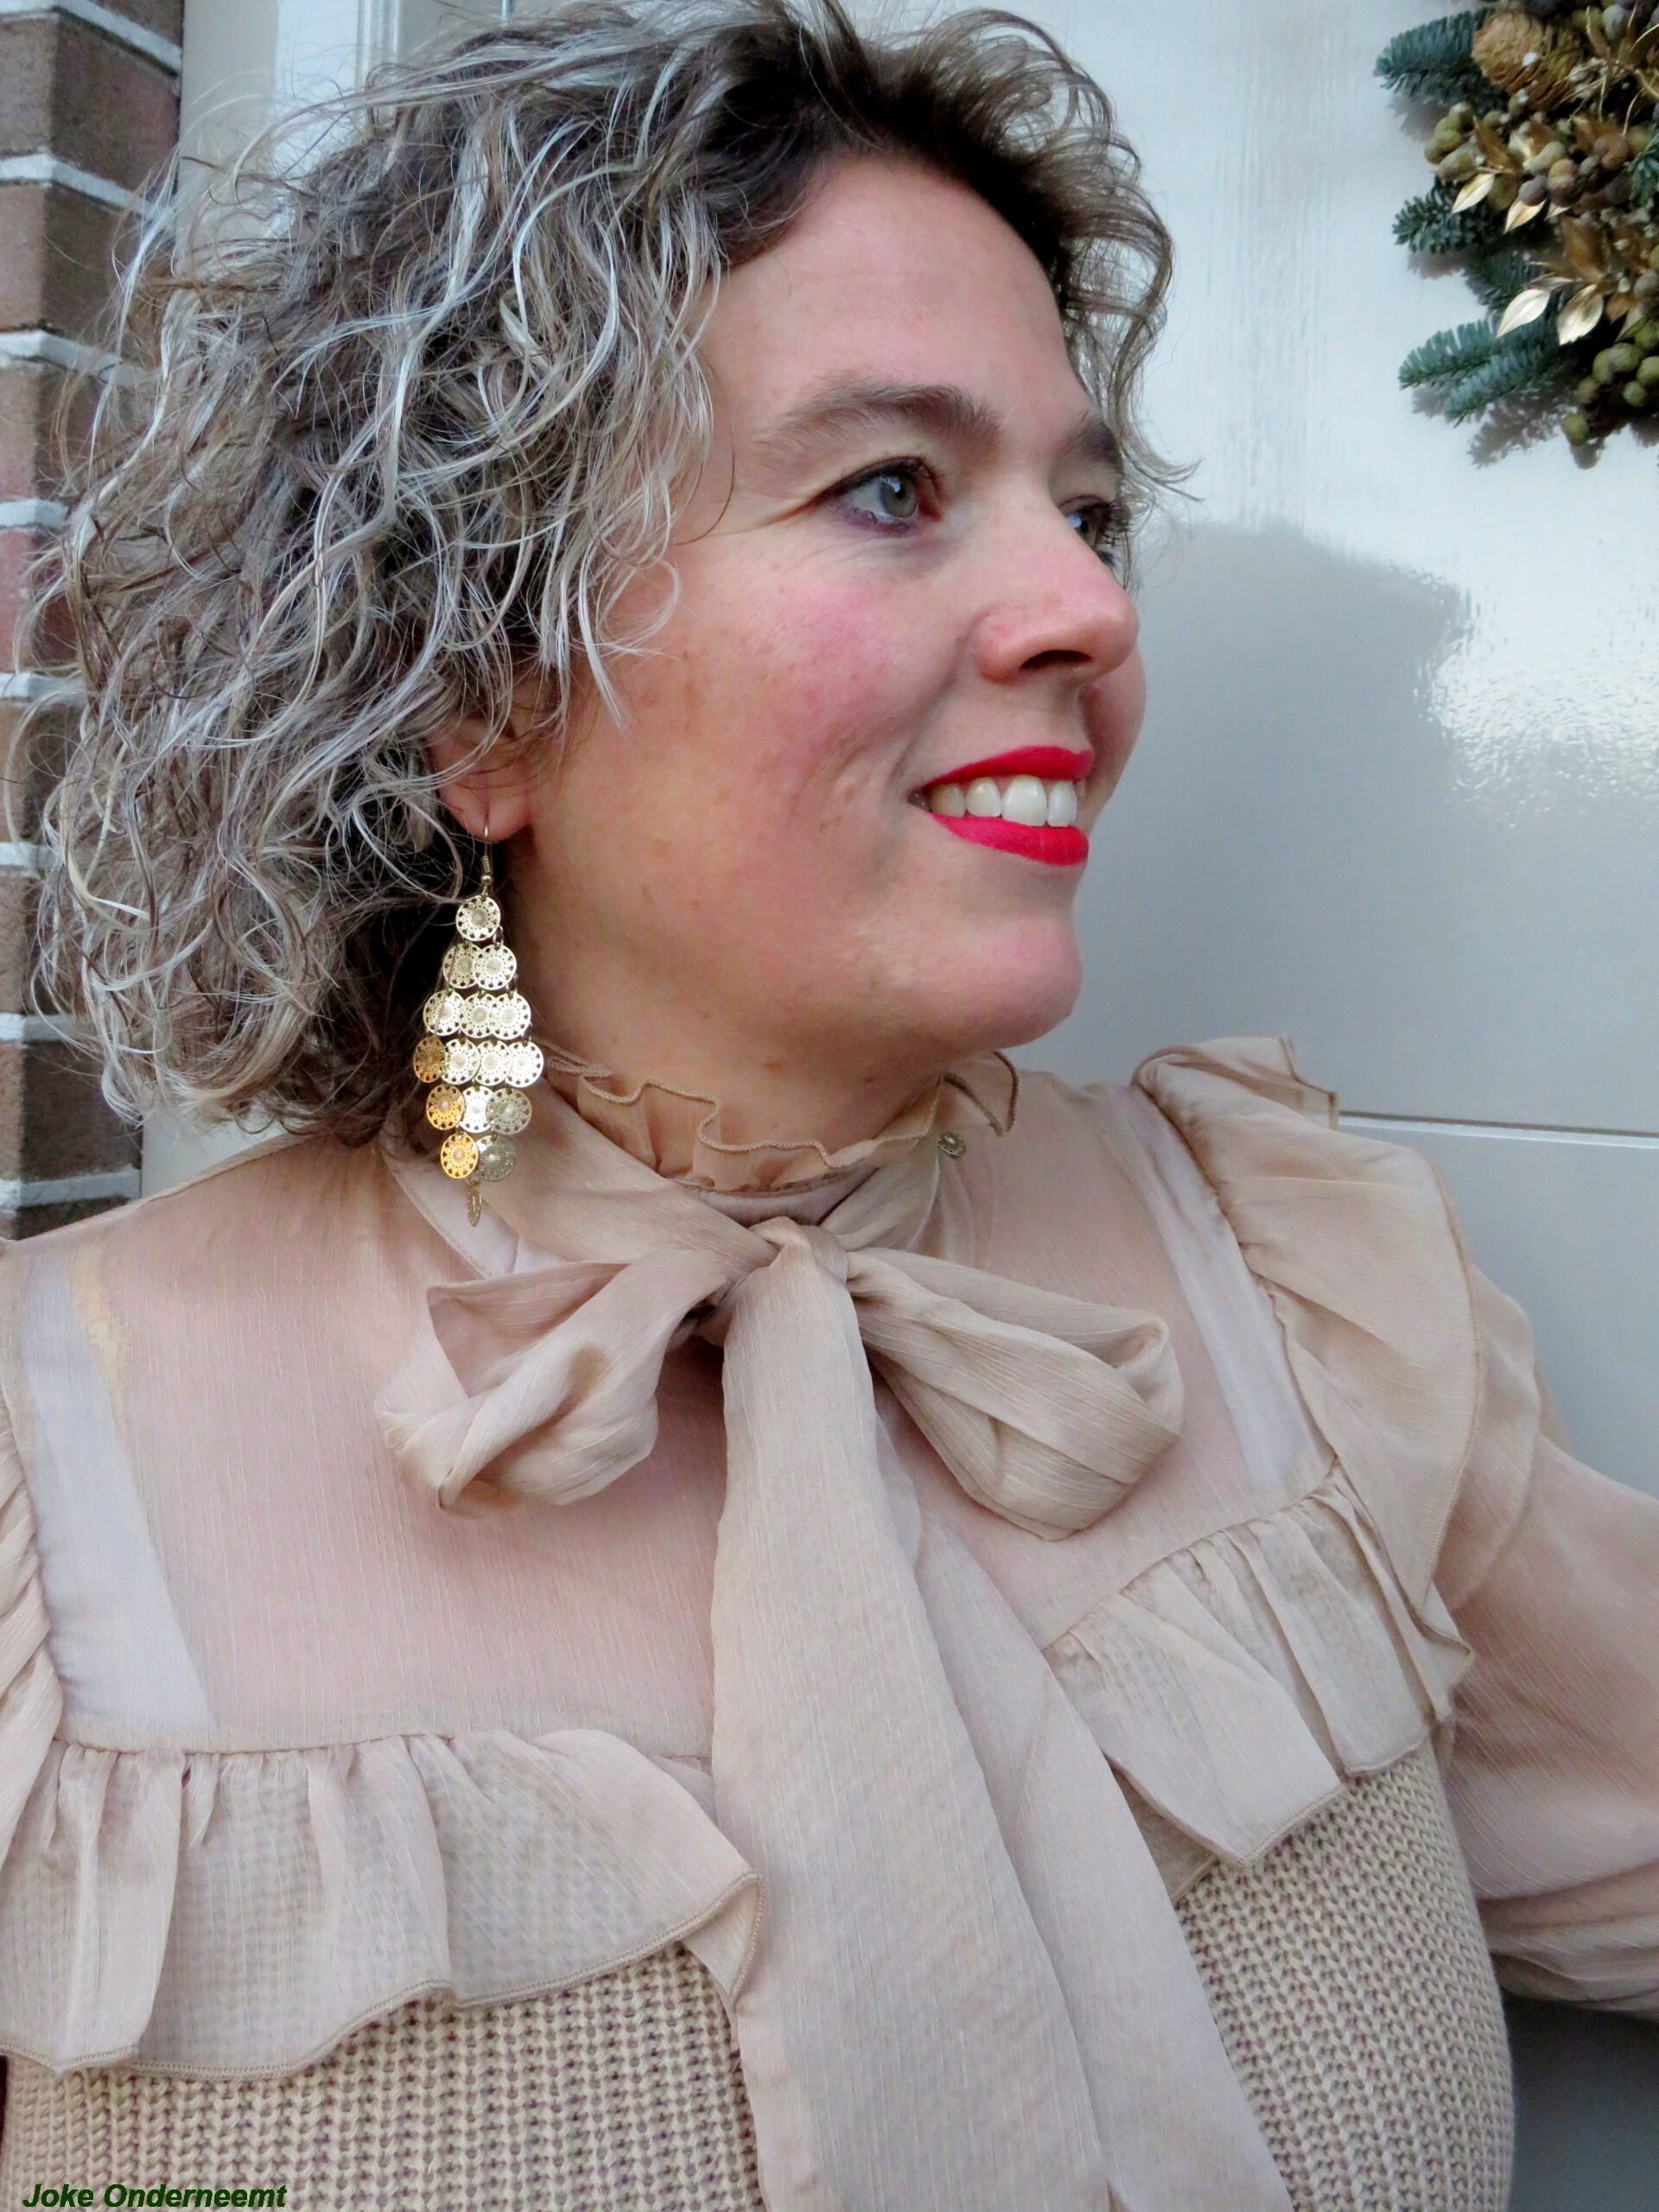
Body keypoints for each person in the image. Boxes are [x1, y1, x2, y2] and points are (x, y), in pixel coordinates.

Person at [3, 3, 1655, 2207]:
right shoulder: (49, 1470)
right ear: (479, 688)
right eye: (893, 487)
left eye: (1090, 507)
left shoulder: (1305, 1291)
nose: (1088, 603)